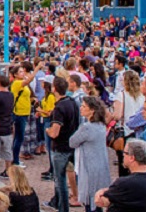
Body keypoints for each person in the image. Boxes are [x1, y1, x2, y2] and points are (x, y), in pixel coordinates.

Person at [93, 139, 146, 212]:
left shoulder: (125, 183)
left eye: (125, 153)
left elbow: (99, 201)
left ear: (132, 158)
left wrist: (101, 191)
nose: (123, 155)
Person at [69, 97, 110, 212]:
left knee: (90, 199)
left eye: (84, 106)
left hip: (88, 167)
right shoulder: (101, 125)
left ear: (92, 110)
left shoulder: (86, 127)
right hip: (101, 165)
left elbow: (72, 142)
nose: (81, 108)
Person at [46, 75, 80, 212]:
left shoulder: (59, 107)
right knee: (69, 175)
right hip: (71, 145)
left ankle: (62, 208)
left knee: (60, 181)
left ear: (55, 89)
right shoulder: (72, 102)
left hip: (60, 147)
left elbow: (55, 132)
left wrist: (48, 130)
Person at [112, 71, 145, 177]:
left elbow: (117, 115)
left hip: (126, 131)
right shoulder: (142, 96)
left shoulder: (121, 95)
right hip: (139, 130)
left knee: (124, 163)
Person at [10, 64, 34, 167]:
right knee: (19, 137)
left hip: (24, 111)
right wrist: (36, 68)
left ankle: (15, 159)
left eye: (22, 71)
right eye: (20, 72)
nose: (23, 73)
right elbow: (28, 81)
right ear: (15, 74)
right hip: (19, 112)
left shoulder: (21, 83)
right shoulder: (16, 84)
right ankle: (15, 160)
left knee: (18, 137)